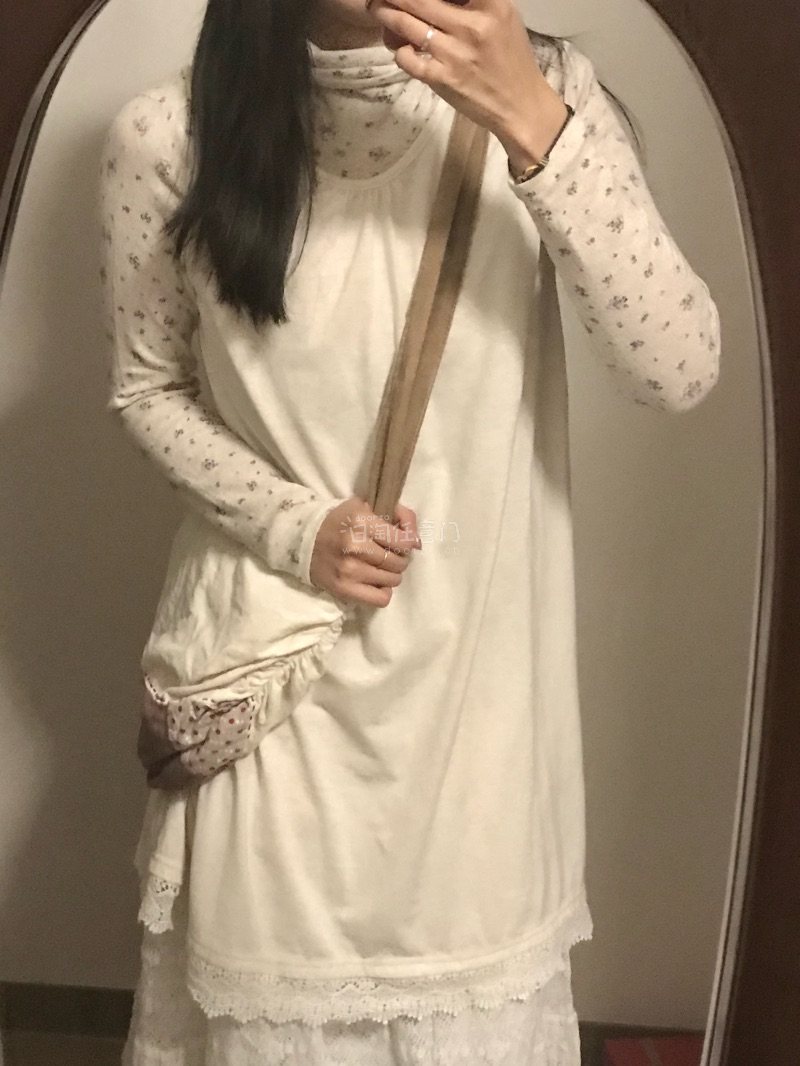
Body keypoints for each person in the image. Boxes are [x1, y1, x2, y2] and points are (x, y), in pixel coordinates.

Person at [98, 0, 721, 1061]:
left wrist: (535, 121)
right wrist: (297, 525)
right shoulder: (170, 134)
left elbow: (676, 369)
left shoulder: (545, 95)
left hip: (478, 723)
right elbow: (147, 387)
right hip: (283, 682)